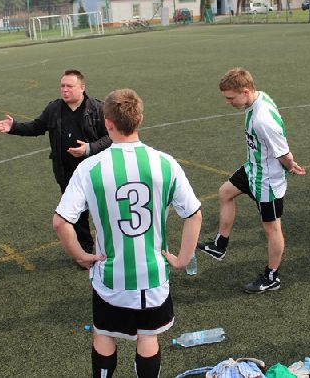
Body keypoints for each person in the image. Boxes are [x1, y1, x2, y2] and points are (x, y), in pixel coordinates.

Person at [53, 89, 202, 378]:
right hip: (153, 274)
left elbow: (60, 222)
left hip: (112, 276)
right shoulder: (164, 162)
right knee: (148, 337)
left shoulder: (90, 167)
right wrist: (183, 259)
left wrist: (80, 255)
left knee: (104, 334)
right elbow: (194, 214)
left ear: (107, 123)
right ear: (140, 119)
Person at [197, 68, 306, 293]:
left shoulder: (262, 120)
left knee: (272, 229)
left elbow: (284, 153)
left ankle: (271, 277)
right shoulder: (259, 97)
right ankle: (219, 245)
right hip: (252, 169)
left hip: (267, 181)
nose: (228, 102)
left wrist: (290, 166)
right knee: (225, 193)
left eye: (231, 98)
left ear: (245, 91)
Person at [0, 69, 111, 254]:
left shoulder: (98, 109)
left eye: (69, 86)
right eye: (62, 86)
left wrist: (89, 148)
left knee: (104, 211)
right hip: (66, 173)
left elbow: (111, 137)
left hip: (96, 172)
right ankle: (86, 253)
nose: (65, 90)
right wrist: (14, 127)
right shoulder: (54, 109)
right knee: (77, 215)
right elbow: (37, 127)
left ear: (82, 87)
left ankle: (111, 249)